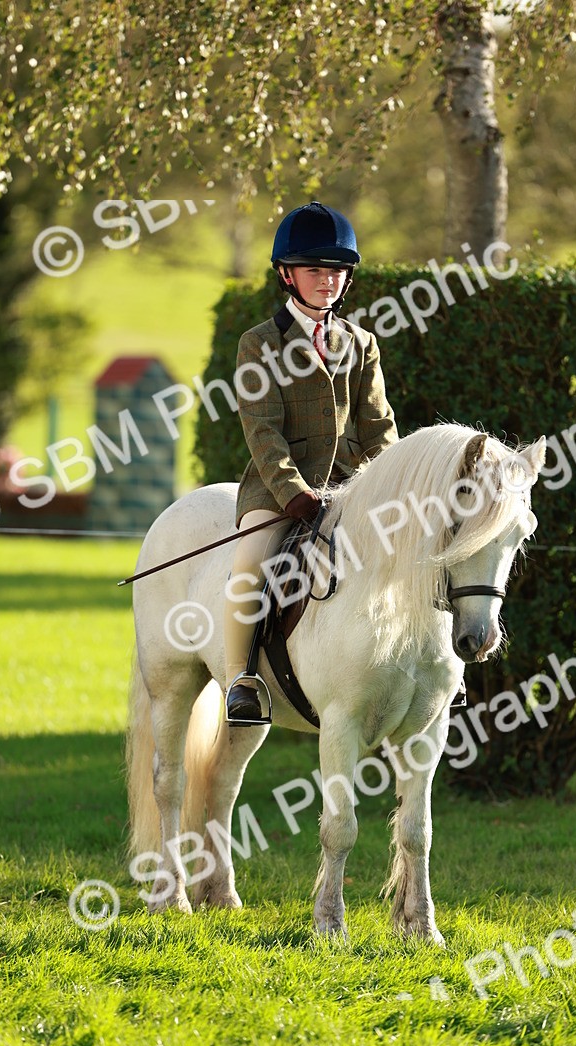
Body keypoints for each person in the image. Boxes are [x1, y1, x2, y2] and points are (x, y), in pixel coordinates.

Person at [223, 200, 399, 723]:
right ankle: (241, 678)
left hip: (350, 489)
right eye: (316, 271)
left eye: (337, 271)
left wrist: (391, 485)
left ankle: (425, 664)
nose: (328, 281)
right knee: (250, 564)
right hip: (279, 494)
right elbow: (263, 430)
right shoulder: (258, 343)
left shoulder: (361, 343)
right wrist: (293, 492)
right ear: (286, 274)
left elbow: (378, 426)